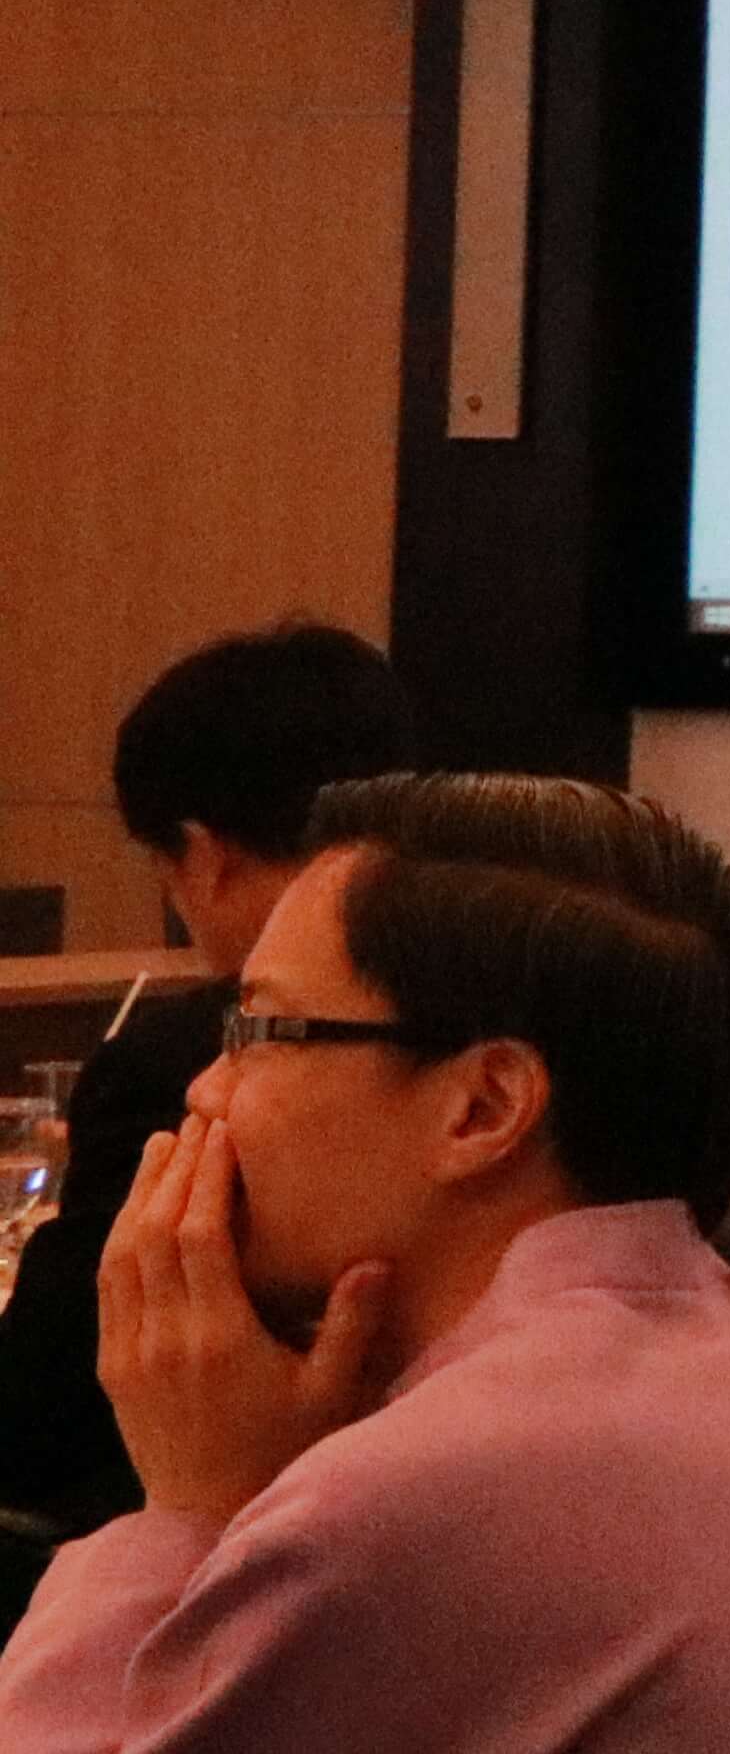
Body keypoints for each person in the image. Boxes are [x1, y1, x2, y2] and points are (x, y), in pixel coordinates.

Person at [0, 773, 730, 1753]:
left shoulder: (408, 1498)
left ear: (482, 1107)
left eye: (254, 1030)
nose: (207, 1090)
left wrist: (190, 1506)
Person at [0, 630, 419, 1546]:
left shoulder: (180, 1061)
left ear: (204, 853)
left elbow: (39, 1406)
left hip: (198, 1536)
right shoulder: (496, 1009)